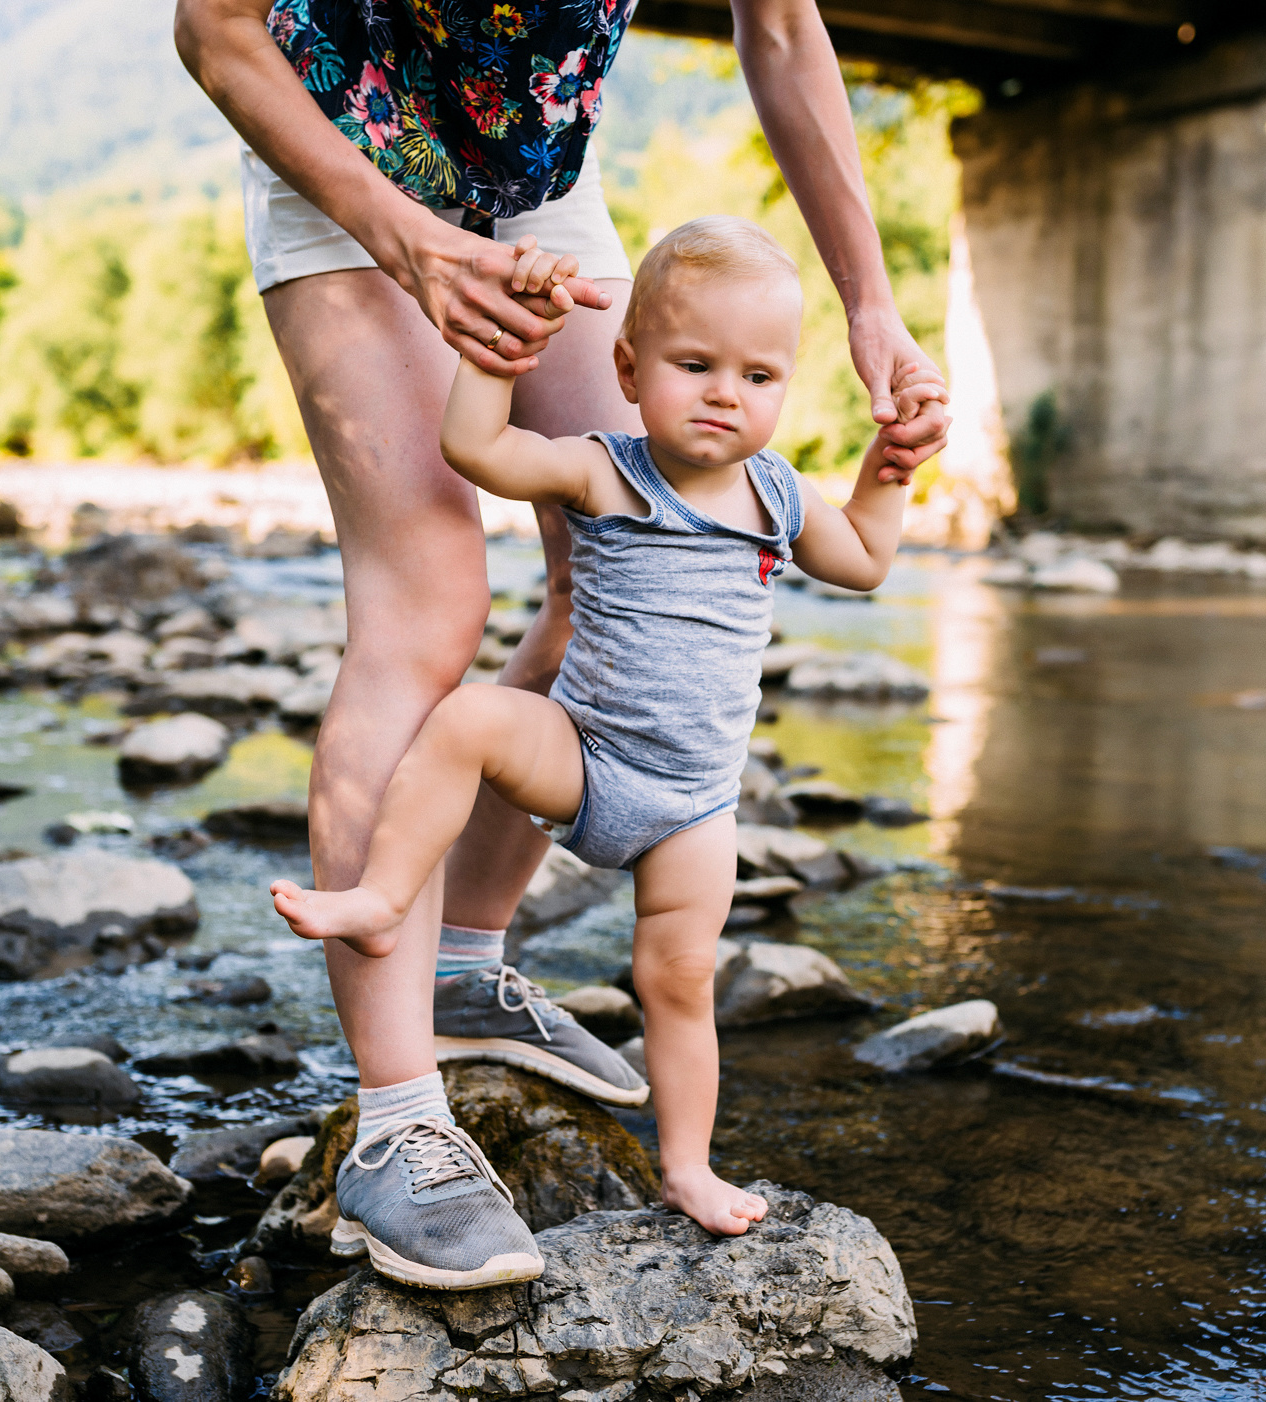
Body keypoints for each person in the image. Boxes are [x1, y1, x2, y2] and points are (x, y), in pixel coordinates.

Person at [173, 0, 951, 1288]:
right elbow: (215, 26)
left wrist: (871, 307)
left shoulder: (770, 489)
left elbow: (785, 28)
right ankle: (399, 1122)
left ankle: (466, 964)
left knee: (603, 568)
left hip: (534, 170)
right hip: (348, 135)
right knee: (430, 602)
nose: (727, 396)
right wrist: (418, 251)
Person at [272, 216, 927, 1288]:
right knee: (473, 720)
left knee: (678, 979)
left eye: (759, 375)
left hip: (693, 809)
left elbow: (862, 559)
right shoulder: (604, 471)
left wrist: (889, 465)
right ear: (627, 369)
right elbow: (478, 451)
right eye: (694, 365)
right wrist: (505, 349)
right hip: (584, 756)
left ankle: (688, 1164)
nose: (726, 393)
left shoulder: (780, 494)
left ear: (788, 388)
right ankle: (389, 897)